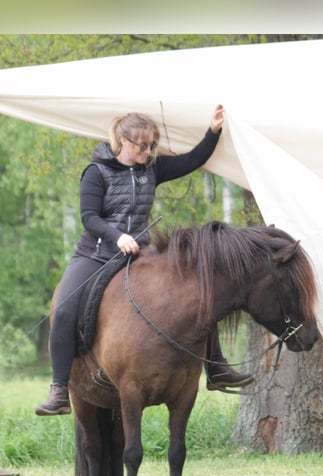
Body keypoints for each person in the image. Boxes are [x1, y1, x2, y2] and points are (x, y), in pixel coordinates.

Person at [35, 105, 253, 416]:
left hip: (140, 252)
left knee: (199, 289)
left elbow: (193, 160)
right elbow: (89, 218)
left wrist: (212, 132)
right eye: (142, 145)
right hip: (96, 253)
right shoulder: (95, 173)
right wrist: (117, 236)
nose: (148, 151)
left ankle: (216, 367)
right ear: (122, 141)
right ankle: (58, 389)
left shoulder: (153, 169)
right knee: (64, 307)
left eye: (152, 145)